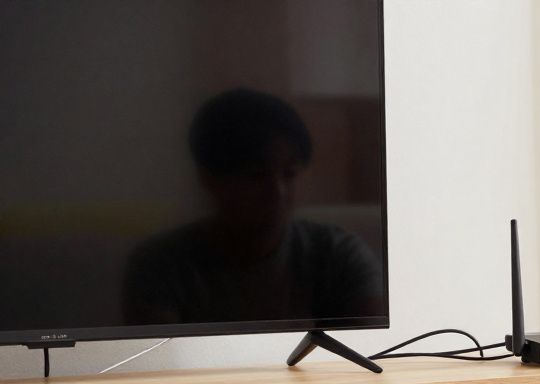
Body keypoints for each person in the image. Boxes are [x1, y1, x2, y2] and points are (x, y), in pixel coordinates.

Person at [123, 88, 385, 325]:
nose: (277, 192)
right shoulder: (160, 265)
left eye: (289, 173)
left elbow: (372, 354)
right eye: (257, 175)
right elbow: (157, 368)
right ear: (209, 178)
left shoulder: (338, 255)